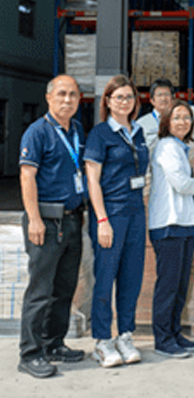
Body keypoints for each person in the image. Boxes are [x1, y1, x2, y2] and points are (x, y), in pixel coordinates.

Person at [17, 75, 86, 378]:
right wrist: (34, 219)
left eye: (73, 94)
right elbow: (27, 176)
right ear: (48, 98)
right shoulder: (37, 132)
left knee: (64, 289)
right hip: (46, 222)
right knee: (40, 291)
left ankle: (53, 344)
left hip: (72, 219)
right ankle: (30, 354)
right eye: (61, 94)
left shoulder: (78, 130)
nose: (67, 100)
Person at [85, 75, 150, 368]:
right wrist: (102, 219)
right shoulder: (100, 134)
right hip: (111, 213)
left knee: (131, 277)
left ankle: (125, 335)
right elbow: (93, 181)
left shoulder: (138, 131)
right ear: (108, 101)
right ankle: (102, 340)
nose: (124, 102)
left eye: (129, 97)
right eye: (119, 97)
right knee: (105, 277)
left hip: (136, 212)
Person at [149, 100, 194, 359]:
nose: (183, 122)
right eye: (177, 117)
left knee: (181, 284)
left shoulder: (180, 148)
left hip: (183, 223)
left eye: (187, 117)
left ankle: (174, 333)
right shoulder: (167, 147)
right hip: (168, 225)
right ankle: (163, 339)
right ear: (166, 122)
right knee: (168, 285)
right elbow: (181, 184)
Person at [136, 78, 174, 154]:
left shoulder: (179, 121)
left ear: (172, 99)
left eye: (166, 94)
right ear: (152, 100)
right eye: (159, 95)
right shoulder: (141, 124)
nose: (163, 98)